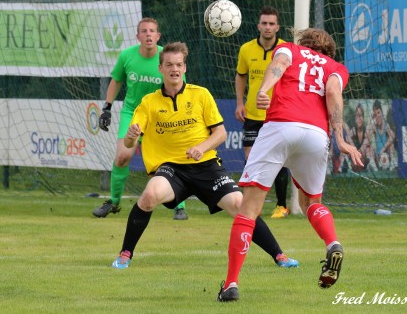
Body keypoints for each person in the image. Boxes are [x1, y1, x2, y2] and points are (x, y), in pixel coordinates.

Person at [112, 42, 298, 270]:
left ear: (185, 68)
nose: (174, 69)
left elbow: (220, 133)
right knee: (150, 194)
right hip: (172, 169)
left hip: (206, 166)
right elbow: (131, 141)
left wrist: (201, 147)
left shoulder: (200, 94)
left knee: (240, 204)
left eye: (179, 64)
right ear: (160, 68)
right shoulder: (149, 103)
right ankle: (125, 253)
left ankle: (279, 255)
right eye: (169, 64)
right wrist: (131, 137)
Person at [218, 28, 363, 302]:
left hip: (281, 125)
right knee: (312, 202)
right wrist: (340, 138)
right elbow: (332, 91)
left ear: (303, 43)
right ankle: (332, 244)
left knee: (249, 208)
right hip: (315, 135)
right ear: (329, 51)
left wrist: (263, 91)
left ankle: (231, 284)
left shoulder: (290, 50)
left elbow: (280, 65)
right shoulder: (336, 67)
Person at [93, 18, 188, 220]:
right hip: (132, 113)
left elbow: (181, 87)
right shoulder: (127, 56)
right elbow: (116, 80)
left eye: (152, 31)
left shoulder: (167, 58)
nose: (148, 34)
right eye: (144, 31)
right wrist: (107, 108)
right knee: (122, 157)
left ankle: (180, 205)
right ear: (138, 36)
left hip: (159, 115)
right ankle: (114, 202)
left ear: (158, 36)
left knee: (167, 161)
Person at [235, 6, 290, 218]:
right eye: (264, 23)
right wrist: (240, 103)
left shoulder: (286, 50)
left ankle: (281, 205)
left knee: (279, 159)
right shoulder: (246, 49)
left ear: (277, 27)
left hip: (278, 114)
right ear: (258, 25)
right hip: (253, 114)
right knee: (251, 158)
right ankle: (252, 205)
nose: (267, 27)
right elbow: (241, 75)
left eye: (271, 24)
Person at [365, 100, 396, 170]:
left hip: (385, 152)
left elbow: (393, 135)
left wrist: (383, 149)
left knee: (391, 145)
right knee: (368, 145)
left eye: (379, 113)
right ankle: (373, 165)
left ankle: (392, 165)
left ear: (382, 113)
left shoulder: (386, 125)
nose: (377, 116)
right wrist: (370, 119)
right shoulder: (374, 126)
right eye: (375, 115)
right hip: (377, 155)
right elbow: (366, 135)